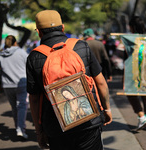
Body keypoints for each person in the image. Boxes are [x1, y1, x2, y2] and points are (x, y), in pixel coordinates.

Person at [26, 10, 112, 150]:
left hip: (56, 127)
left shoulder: (34, 57)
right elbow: (101, 82)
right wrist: (106, 109)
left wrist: (39, 131)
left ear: (39, 32)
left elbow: (34, 99)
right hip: (88, 122)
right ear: (63, 27)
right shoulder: (81, 46)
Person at [0, 35, 29, 139]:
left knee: (14, 107)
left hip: (7, 85)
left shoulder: (1, 55)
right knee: (22, 106)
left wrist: (2, 80)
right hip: (21, 84)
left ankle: (17, 127)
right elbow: (29, 66)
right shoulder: (22, 53)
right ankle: (20, 129)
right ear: (15, 42)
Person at [126, 16, 146, 132]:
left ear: (132, 27)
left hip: (134, 70)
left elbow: (127, 56)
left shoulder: (130, 39)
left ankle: (142, 116)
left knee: (130, 92)